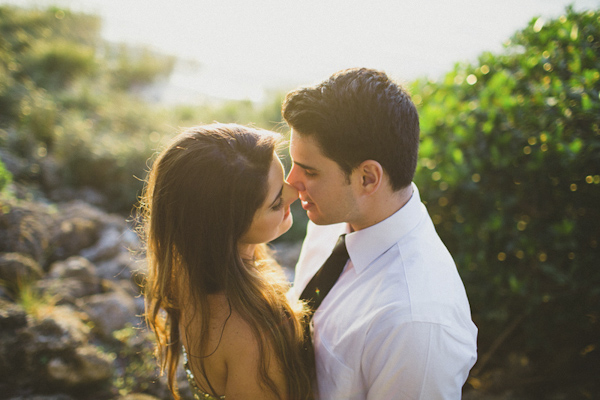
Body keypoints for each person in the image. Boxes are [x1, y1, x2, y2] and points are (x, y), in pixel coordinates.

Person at [283, 68, 478, 399]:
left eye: (310, 171)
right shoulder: (333, 220)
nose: (290, 182)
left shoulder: (415, 324)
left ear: (368, 178)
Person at [139, 123, 313, 400]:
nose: (294, 193)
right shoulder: (255, 333)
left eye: (283, 182)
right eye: (276, 201)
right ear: (226, 228)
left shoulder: (187, 270)